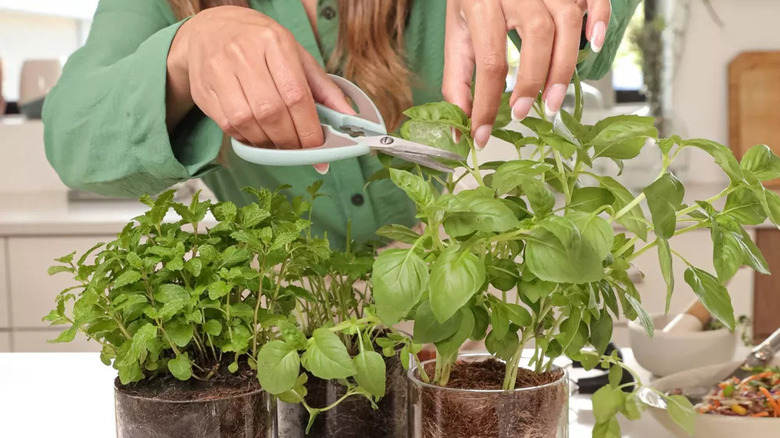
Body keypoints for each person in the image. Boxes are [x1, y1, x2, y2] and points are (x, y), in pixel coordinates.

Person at [43, 0, 635, 247]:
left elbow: (593, 41)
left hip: (437, 327)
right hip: (270, 326)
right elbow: (74, 138)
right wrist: (183, 54)